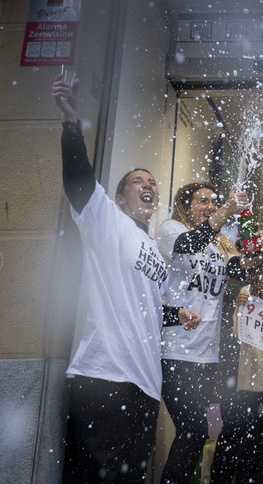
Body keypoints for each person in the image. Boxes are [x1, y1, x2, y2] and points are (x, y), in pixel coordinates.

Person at [52, 75, 201, 483]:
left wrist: (177, 314)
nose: (149, 184)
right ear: (120, 197)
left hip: (145, 385)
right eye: (139, 180)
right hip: (105, 376)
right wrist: (71, 125)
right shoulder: (107, 222)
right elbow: (78, 181)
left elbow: (145, 308)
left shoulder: (152, 249)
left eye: (152, 181)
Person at [157, 182, 251, 483]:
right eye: (203, 201)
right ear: (185, 206)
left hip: (209, 354)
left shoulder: (219, 243)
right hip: (176, 348)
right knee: (195, 428)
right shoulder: (172, 229)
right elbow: (189, 244)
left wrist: (248, 236)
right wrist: (226, 210)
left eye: (214, 201)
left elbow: (244, 273)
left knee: (201, 431)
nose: (210, 206)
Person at [210, 264, 263, 484]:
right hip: (250, 386)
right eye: (261, 281)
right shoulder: (246, 301)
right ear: (254, 281)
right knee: (253, 450)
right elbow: (237, 332)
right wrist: (241, 308)